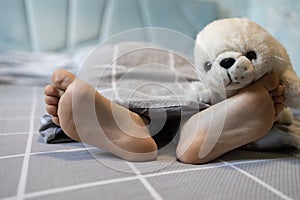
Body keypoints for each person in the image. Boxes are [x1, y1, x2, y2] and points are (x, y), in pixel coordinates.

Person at [44, 69, 285, 164]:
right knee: (207, 92)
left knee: (109, 85)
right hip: (196, 95)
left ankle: (131, 124)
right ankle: (195, 126)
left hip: (118, 85)